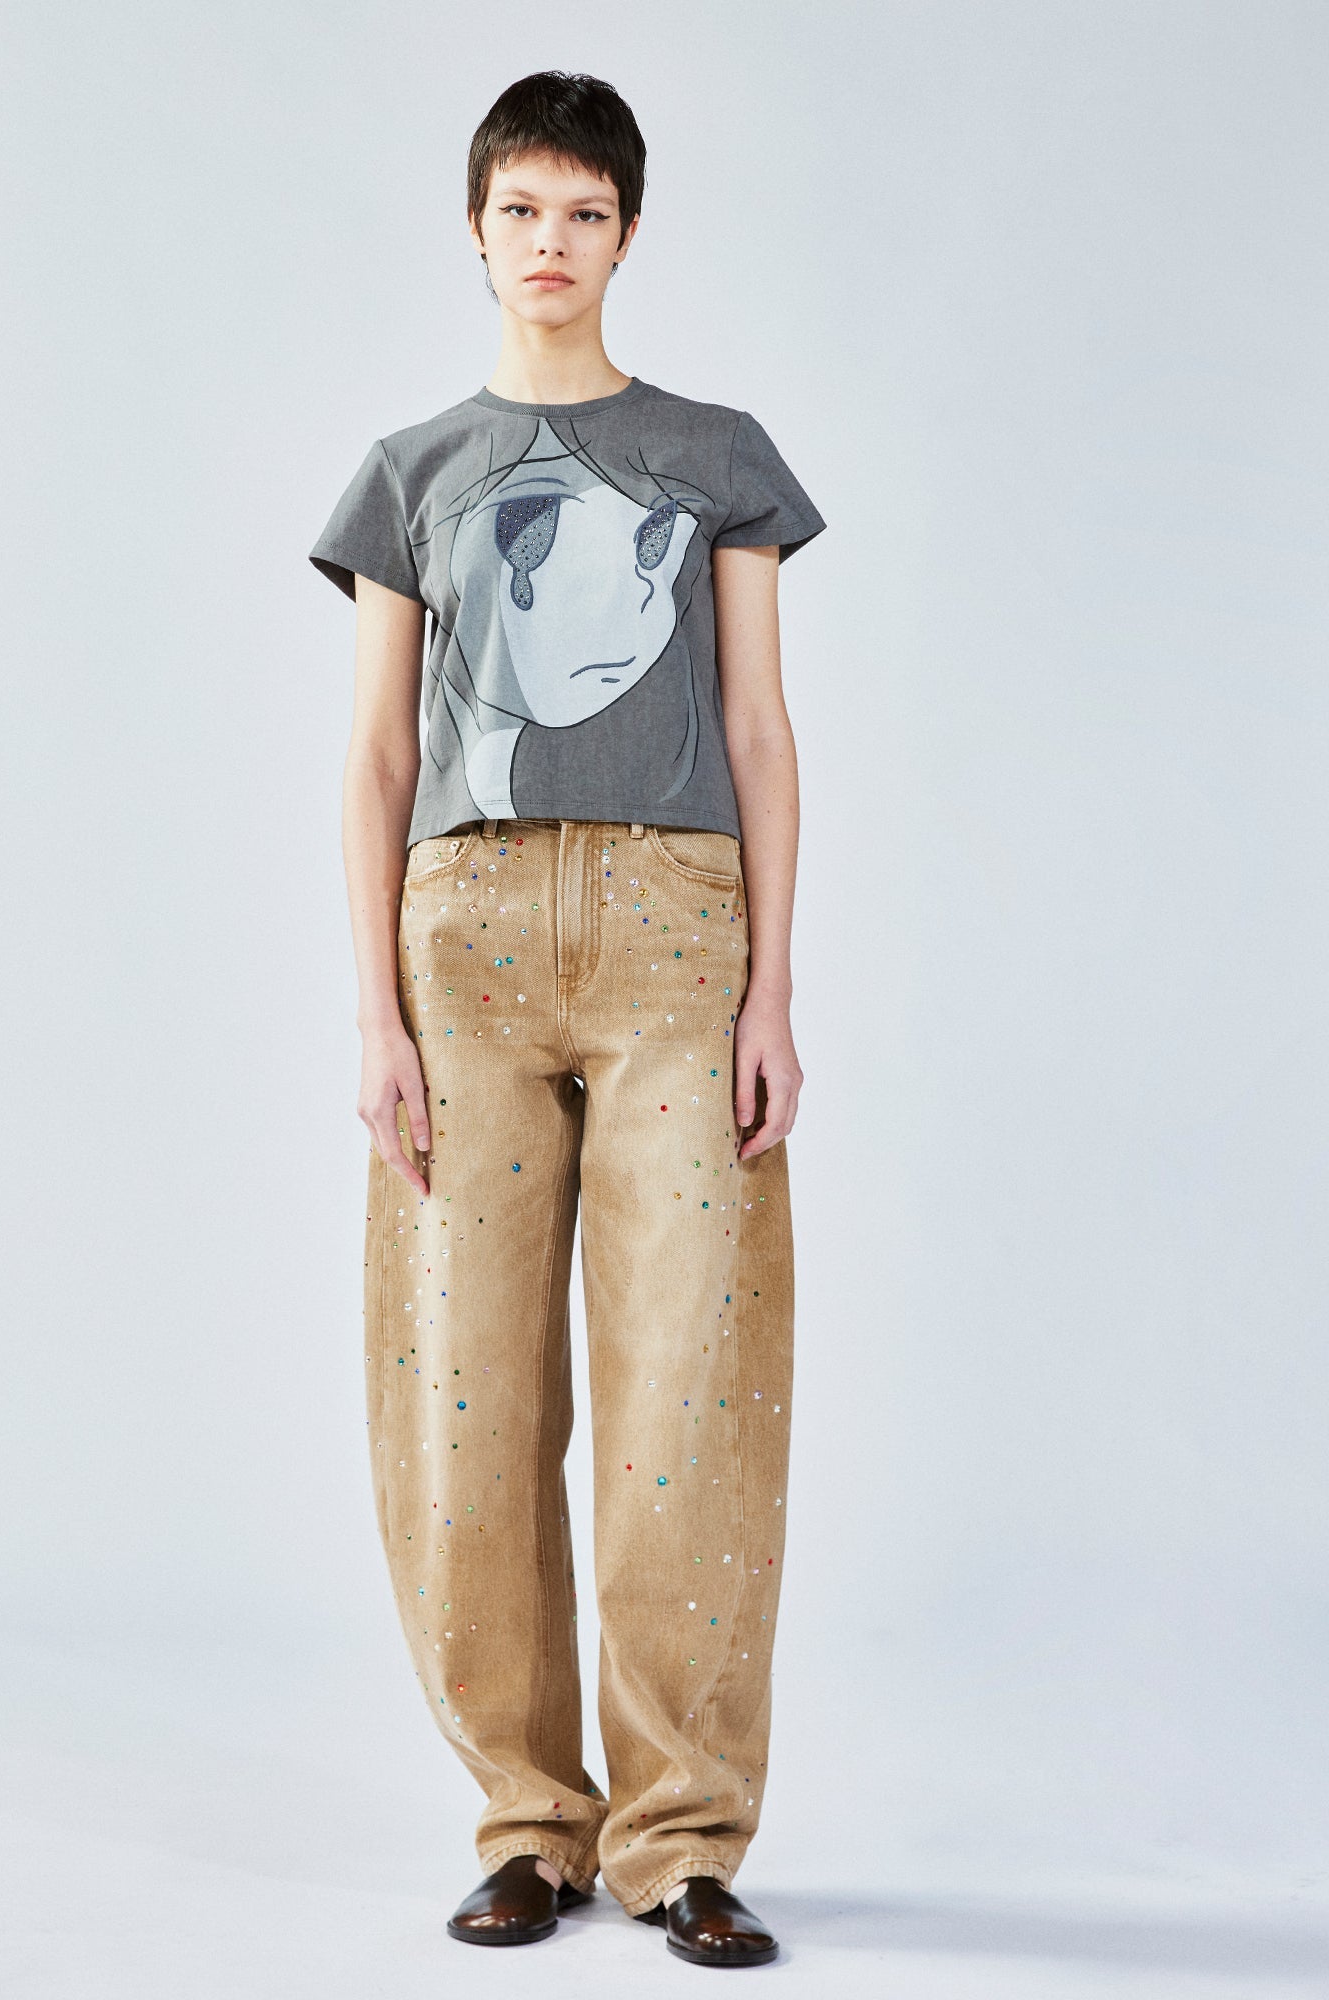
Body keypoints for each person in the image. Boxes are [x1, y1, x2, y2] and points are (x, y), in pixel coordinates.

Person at [308, 70, 823, 1969]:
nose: (551, 242)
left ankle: (681, 1837)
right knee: (464, 1396)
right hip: (466, 950)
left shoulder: (716, 456)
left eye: (585, 213)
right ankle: (529, 1820)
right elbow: (378, 754)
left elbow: (758, 726)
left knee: (693, 1392)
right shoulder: (413, 473)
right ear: (476, 229)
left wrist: (775, 985)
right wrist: (375, 1011)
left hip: (683, 945)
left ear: (628, 233)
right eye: (521, 210)